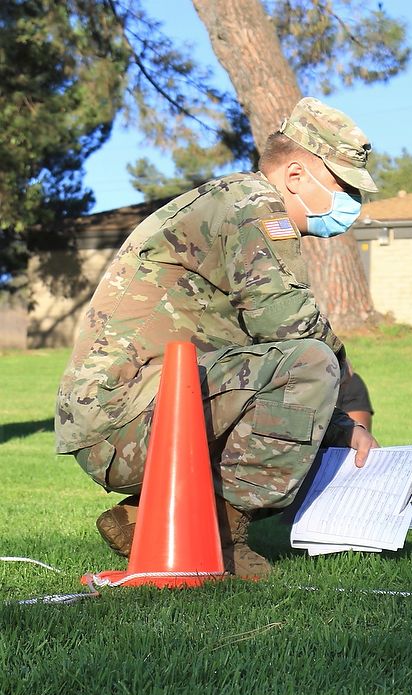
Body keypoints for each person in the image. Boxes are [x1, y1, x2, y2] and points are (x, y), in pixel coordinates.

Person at [55, 97, 381, 578]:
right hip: (129, 425)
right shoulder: (255, 208)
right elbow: (289, 326)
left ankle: (147, 519)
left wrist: (336, 423)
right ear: (295, 175)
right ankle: (221, 535)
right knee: (309, 366)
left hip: (128, 419)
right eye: (343, 187)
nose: (352, 205)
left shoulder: (235, 202)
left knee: (303, 384)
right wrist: (341, 413)